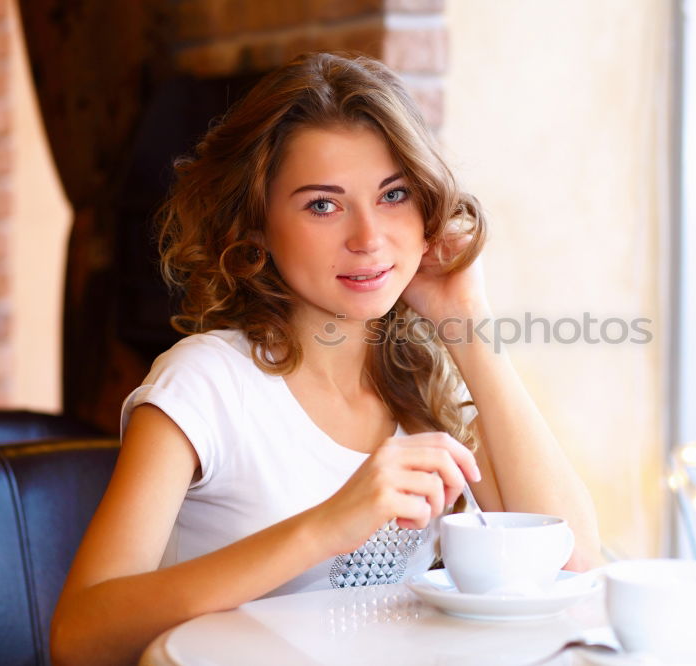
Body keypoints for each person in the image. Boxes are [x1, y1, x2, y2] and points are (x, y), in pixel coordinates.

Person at [50, 52, 601, 665]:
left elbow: (574, 569)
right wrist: (327, 526)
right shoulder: (202, 384)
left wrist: (465, 320)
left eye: (394, 195)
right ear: (255, 228)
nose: (368, 238)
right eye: (322, 205)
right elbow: (80, 638)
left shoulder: (418, 391)